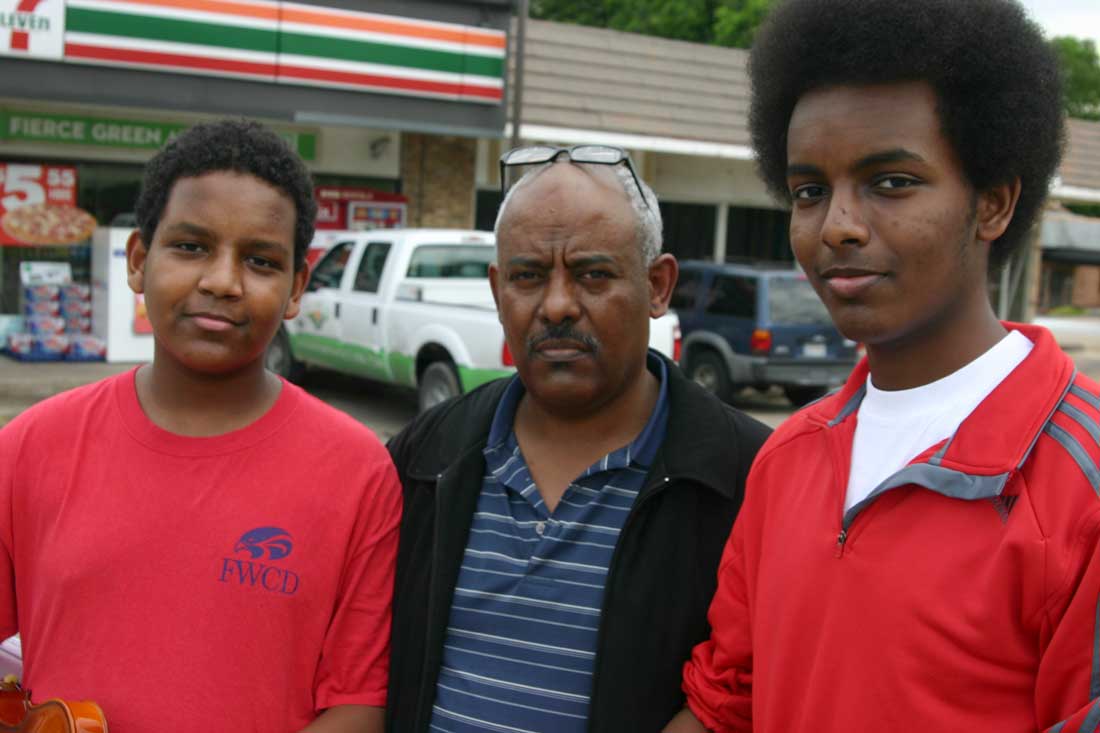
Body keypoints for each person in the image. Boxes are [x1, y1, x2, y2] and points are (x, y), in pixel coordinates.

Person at [663, 0, 1099, 731]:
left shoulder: (1079, 485)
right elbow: (726, 701)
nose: (837, 226)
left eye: (890, 182)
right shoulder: (787, 457)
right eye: (809, 191)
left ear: (993, 203)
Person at [0, 120, 401, 732]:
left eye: (260, 260)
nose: (221, 281)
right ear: (139, 260)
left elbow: (358, 705)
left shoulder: (357, 473)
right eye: (191, 247)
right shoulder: (31, 447)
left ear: (296, 288)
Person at [385, 146, 770, 733]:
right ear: (496, 291)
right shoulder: (424, 457)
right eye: (528, 276)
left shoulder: (745, 478)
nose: (558, 306)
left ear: (658, 285)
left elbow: (752, 690)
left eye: (593, 274)